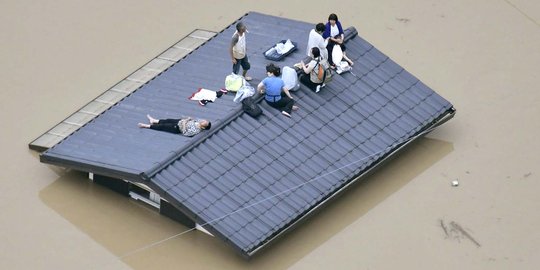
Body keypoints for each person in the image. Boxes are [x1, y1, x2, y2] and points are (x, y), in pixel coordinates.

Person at [138, 115, 211, 137]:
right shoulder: (197, 122)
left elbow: (186, 133)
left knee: (163, 126)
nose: (203, 121)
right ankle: (154, 121)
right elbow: (191, 121)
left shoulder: (196, 130)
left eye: (204, 123)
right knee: (167, 120)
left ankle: (146, 126)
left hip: (177, 128)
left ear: (203, 127)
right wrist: (189, 119)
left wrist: (185, 123)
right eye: (204, 120)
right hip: (180, 121)